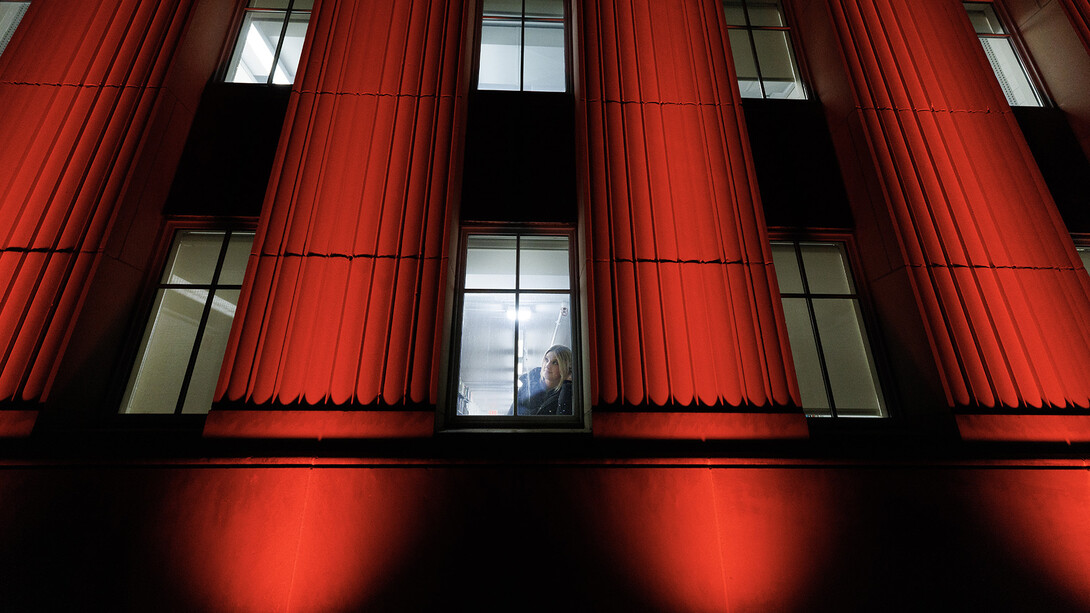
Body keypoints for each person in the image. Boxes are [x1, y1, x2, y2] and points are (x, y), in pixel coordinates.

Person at [516, 345, 573, 416]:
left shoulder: (566, 392)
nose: (547, 365)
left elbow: (564, 419)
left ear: (565, 367)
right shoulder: (529, 383)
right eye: (546, 360)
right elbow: (512, 413)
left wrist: (567, 385)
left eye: (555, 363)